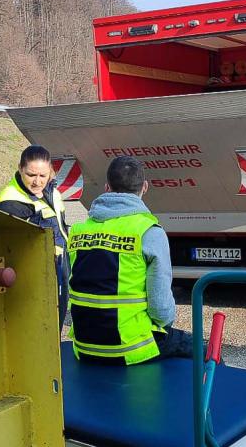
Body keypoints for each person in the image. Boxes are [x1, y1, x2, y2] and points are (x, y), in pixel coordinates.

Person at [67, 156, 192, 365]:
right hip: (131, 347)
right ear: (145, 187)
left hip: (85, 346)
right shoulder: (148, 232)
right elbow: (161, 311)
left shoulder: (79, 231)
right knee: (206, 351)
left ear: (107, 187)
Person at [0, 145, 69, 332]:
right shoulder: (9, 202)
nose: (37, 182)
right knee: (39, 332)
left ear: (51, 171)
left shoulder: (52, 192)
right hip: (34, 275)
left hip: (58, 268)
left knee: (54, 331)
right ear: (20, 168)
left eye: (43, 176)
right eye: (31, 175)